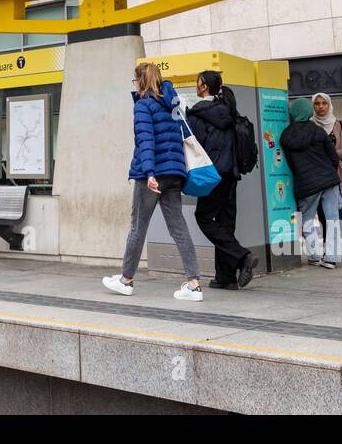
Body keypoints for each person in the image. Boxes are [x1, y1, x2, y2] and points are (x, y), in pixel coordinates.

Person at [102, 62, 203, 302]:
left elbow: (146, 141)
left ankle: (126, 280)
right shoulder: (173, 103)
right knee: (178, 227)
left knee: (138, 226)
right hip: (175, 173)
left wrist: (148, 173)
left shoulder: (144, 105)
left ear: (140, 80)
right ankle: (194, 284)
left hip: (153, 174)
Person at [187, 70, 255, 289]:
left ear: (204, 86)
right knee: (225, 223)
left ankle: (242, 256)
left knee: (203, 217)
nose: (196, 87)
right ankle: (226, 278)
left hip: (212, 174)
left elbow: (194, 146)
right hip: (231, 174)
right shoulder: (228, 109)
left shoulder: (198, 114)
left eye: (198, 83)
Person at [282, 98, 342, 268]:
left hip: (306, 184)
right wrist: (328, 173)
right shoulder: (318, 131)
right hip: (328, 181)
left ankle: (315, 255)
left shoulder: (286, 136)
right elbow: (334, 157)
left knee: (307, 219)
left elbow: (290, 164)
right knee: (332, 219)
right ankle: (332, 257)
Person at [311, 93, 342, 262]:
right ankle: (330, 249)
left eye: (324, 103)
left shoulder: (339, 124)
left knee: (338, 212)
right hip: (318, 175)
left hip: (338, 174)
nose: (320, 106)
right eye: (317, 103)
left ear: (329, 104)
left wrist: (332, 153)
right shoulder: (310, 125)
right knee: (323, 214)